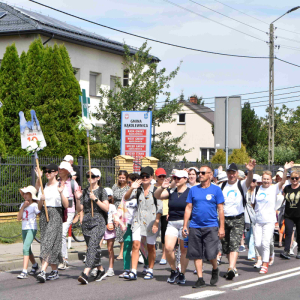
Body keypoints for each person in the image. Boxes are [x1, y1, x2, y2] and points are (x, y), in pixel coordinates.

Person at [182, 165, 225, 288]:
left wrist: (221, 227)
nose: (199, 174)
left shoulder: (216, 190)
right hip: (195, 226)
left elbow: (221, 209)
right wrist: (185, 225)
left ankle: (215, 268)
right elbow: (188, 208)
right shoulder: (193, 190)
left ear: (210, 175)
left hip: (211, 226)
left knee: (211, 254)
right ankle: (200, 278)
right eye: (199, 172)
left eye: (202, 173)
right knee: (196, 253)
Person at [124, 166, 162, 280]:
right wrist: (131, 188)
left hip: (151, 221)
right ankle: (133, 271)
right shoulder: (137, 189)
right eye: (143, 176)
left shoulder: (156, 190)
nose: (145, 178)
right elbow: (126, 198)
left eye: (147, 176)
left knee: (151, 247)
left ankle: (150, 269)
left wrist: (156, 223)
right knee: (135, 245)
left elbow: (160, 208)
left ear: (151, 177)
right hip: (138, 220)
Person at [252, 162, 291, 274]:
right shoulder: (258, 189)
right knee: (257, 244)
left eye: (268, 179)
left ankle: (265, 264)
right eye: (264, 179)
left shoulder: (274, 189)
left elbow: (283, 181)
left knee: (265, 242)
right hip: (258, 220)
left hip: (269, 220)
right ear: (262, 179)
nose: (266, 181)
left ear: (271, 180)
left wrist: (285, 170)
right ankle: (268, 254)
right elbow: (254, 204)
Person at [220, 160, 255, 280]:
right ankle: (233, 267)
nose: (231, 175)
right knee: (226, 246)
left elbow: (249, 180)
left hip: (238, 219)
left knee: (234, 244)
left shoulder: (241, 184)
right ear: (227, 173)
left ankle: (230, 268)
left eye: (233, 172)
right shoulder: (222, 186)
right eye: (229, 172)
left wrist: (250, 171)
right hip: (224, 219)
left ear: (236, 173)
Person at [35, 163, 69, 283]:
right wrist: (41, 199)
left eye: (50, 171)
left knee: (48, 242)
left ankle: (43, 271)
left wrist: (60, 192)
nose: (47, 173)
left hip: (56, 214)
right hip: (44, 215)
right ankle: (54, 271)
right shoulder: (44, 187)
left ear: (56, 173)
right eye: (46, 171)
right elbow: (39, 207)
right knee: (49, 242)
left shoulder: (61, 186)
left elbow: (66, 205)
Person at [155, 170, 190, 285]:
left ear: (185, 179)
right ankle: (174, 270)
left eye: (179, 178)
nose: (176, 180)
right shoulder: (171, 191)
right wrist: (162, 187)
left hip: (186, 224)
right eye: (175, 178)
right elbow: (157, 196)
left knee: (184, 249)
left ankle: (182, 274)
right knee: (169, 248)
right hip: (172, 223)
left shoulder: (191, 192)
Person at [75, 168, 109, 284]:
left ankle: (85, 273)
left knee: (92, 247)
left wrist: (95, 199)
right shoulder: (84, 191)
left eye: (93, 176)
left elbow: (106, 208)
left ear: (98, 178)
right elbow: (79, 209)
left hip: (98, 220)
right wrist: (78, 198)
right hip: (87, 220)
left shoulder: (101, 191)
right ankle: (100, 269)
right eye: (88, 176)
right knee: (93, 248)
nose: (90, 178)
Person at [117, 173, 149, 278]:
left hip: (140, 224)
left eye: (130, 182)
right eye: (128, 182)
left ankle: (147, 265)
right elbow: (122, 205)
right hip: (128, 223)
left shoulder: (142, 193)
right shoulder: (127, 193)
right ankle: (127, 269)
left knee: (141, 246)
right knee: (127, 244)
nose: (128, 183)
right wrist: (118, 219)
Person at [57, 161, 79, 270]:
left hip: (69, 211)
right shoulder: (56, 182)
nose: (59, 170)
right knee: (57, 234)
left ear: (67, 172)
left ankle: (64, 259)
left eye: (62, 169)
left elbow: (78, 198)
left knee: (62, 233)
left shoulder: (72, 183)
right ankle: (58, 257)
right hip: (58, 211)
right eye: (59, 168)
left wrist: (79, 214)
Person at [17, 186, 40, 279]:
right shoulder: (22, 204)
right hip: (24, 228)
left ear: (31, 195)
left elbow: (39, 214)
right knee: (28, 249)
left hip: (31, 228)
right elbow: (19, 218)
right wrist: (23, 206)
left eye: (27, 194)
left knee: (25, 248)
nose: (25, 196)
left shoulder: (34, 205)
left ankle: (24, 271)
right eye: (24, 194)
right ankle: (34, 264)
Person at [281, 170, 300, 259]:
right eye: (293, 178)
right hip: (288, 215)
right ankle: (286, 250)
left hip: (299, 215)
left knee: (299, 234)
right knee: (288, 232)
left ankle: (299, 251)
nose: (295, 180)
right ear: (290, 179)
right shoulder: (286, 188)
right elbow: (283, 198)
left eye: (296, 178)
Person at [112, 170, 129, 260]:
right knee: (113, 230)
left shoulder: (128, 188)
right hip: (115, 209)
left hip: (123, 209)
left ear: (126, 178)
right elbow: (112, 198)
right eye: (120, 177)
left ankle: (122, 252)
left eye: (123, 178)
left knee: (121, 232)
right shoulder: (115, 186)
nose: (121, 179)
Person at [154, 168, 168, 265]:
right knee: (152, 234)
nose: (162, 178)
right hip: (153, 213)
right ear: (156, 177)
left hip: (166, 212)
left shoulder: (168, 187)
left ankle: (164, 255)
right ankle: (152, 254)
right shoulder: (153, 187)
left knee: (164, 235)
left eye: (163, 176)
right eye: (160, 176)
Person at [103, 187, 117, 277]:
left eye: (108, 196)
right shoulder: (99, 204)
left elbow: (115, 216)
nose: (106, 197)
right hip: (100, 227)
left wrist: (114, 222)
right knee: (96, 248)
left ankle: (111, 268)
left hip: (109, 228)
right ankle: (96, 267)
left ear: (111, 197)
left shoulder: (112, 206)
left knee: (110, 249)